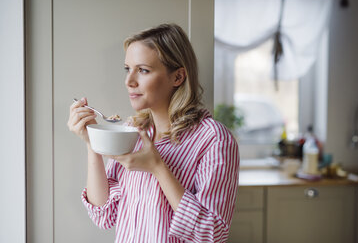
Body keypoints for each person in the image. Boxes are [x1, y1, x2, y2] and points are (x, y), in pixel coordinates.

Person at [67, 23, 239, 243]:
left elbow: (212, 235)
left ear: (178, 77)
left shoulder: (213, 139)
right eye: (127, 69)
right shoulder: (131, 131)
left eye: (143, 70)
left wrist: (157, 167)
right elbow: (103, 215)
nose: (129, 81)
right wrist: (92, 142)